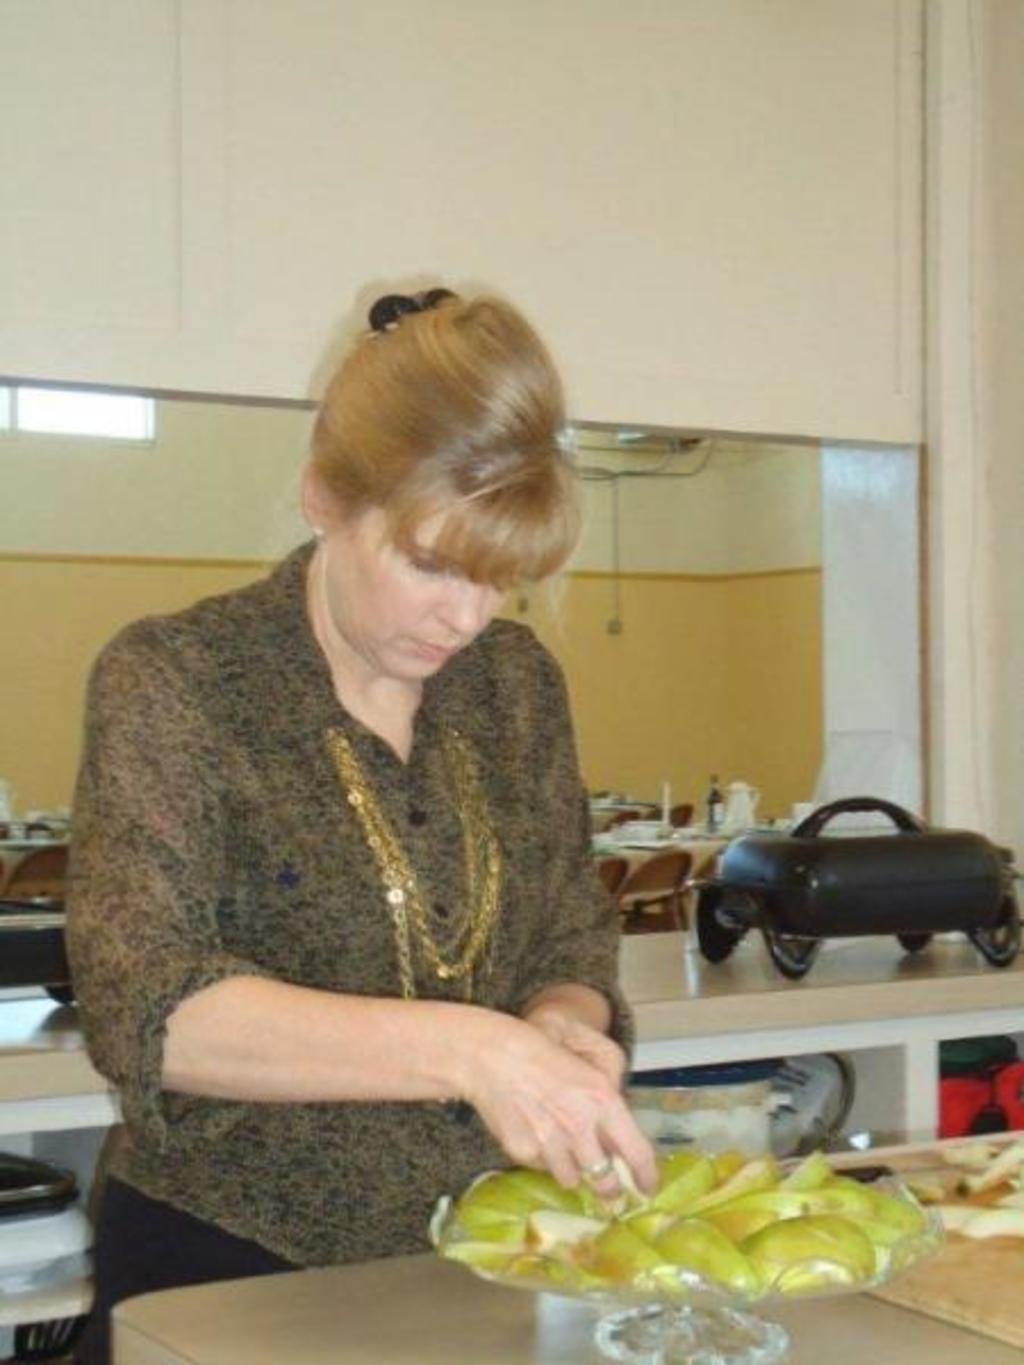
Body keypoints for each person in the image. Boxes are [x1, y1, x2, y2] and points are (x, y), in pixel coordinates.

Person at [66, 286, 657, 1364]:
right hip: (228, 1274)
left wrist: (561, 1025)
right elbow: (150, 1010)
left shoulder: (515, 685)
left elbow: (571, 933)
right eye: (431, 564)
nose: (466, 617)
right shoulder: (180, 678)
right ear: (323, 497)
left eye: (499, 579)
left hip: (488, 1259)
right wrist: (475, 1052)